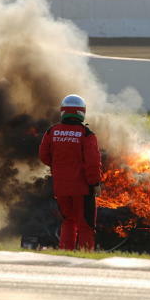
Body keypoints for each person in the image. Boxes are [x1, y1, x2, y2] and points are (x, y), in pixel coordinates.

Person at [39, 94, 101, 251]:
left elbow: (44, 156)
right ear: (82, 112)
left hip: (61, 188)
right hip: (82, 189)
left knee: (68, 221)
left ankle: (65, 253)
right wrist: (95, 183)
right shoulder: (86, 134)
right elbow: (92, 163)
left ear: (63, 111)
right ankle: (85, 257)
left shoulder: (52, 132)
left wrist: (59, 167)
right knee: (85, 225)